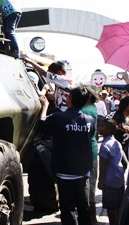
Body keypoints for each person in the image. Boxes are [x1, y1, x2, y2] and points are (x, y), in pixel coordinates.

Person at [38, 87, 95, 225]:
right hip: (83, 171)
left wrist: (44, 106)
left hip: (65, 171)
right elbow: (90, 136)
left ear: (69, 99)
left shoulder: (59, 117)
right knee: (83, 207)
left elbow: (42, 125)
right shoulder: (89, 120)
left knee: (68, 208)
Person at [98, 118, 127, 225]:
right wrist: (119, 173)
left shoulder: (105, 146)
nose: (99, 128)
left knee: (110, 207)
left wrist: (100, 182)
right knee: (118, 206)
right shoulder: (117, 143)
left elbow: (103, 166)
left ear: (108, 130)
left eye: (102, 126)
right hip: (119, 180)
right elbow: (125, 163)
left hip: (109, 182)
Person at [81, 86, 99, 225]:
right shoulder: (91, 108)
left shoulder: (85, 111)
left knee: (88, 187)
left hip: (87, 152)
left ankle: (91, 219)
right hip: (90, 150)